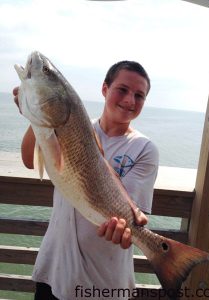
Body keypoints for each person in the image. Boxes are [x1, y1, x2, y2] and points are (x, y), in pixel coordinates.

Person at [13, 60, 159, 300]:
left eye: (139, 95)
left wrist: (127, 231)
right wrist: (34, 114)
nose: (130, 100)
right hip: (54, 271)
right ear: (105, 89)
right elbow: (30, 160)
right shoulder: (71, 124)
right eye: (122, 90)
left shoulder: (144, 149)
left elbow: (132, 210)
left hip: (102, 286)